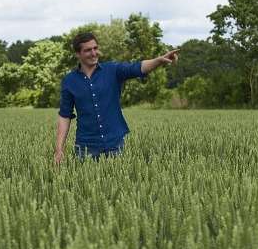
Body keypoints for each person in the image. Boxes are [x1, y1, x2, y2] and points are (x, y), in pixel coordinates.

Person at [53, 32, 179, 164]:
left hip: (114, 144)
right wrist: (59, 148)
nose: (94, 53)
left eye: (95, 48)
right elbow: (65, 116)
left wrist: (158, 60)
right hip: (86, 147)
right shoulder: (69, 81)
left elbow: (138, 67)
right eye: (88, 50)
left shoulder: (112, 70)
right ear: (78, 54)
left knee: (117, 182)